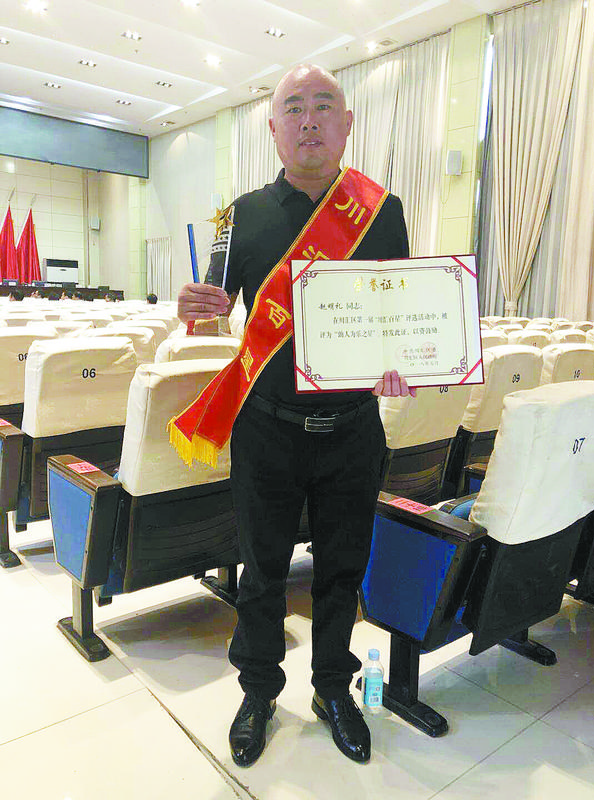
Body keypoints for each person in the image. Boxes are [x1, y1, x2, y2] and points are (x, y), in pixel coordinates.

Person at [177, 64, 414, 767]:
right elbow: (213, 312)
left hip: (353, 429)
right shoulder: (239, 214)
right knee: (262, 571)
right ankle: (258, 692)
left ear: (347, 124)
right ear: (275, 130)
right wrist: (194, 308)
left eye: (324, 106)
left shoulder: (382, 210)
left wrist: (402, 359)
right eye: (294, 108)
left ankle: (334, 689)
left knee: (343, 570)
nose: (309, 119)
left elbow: (399, 310)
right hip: (266, 429)